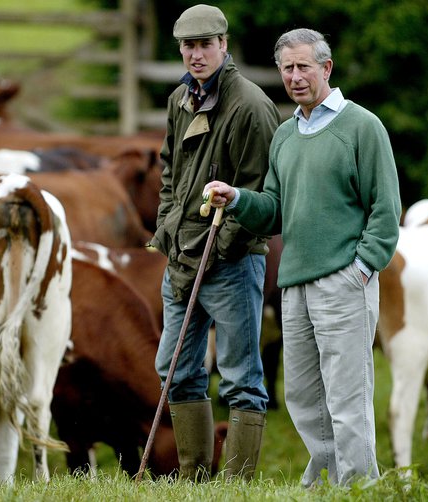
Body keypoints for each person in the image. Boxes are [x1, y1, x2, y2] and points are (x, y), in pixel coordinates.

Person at [203, 28, 401, 486]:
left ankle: (357, 487)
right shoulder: (286, 135)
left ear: (326, 68)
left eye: (303, 67)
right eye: (287, 68)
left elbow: (386, 210)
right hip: (293, 285)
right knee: (304, 397)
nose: (295, 77)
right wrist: (236, 198)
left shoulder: (362, 126)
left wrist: (361, 269)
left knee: (348, 397)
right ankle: (329, 478)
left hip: (344, 281)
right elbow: (273, 211)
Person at [149, 4, 281, 481]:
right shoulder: (179, 100)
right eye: (188, 45)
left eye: (206, 44)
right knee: (175, 370)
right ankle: (193, 477)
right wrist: (167, 224)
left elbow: (262, 193)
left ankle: (239, 483)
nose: (196, 54)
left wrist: (220, 246)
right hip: (181, 255)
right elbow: (169, 172)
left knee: (242, 378)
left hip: (231, 259)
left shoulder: (251, 106)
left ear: (224, 45)